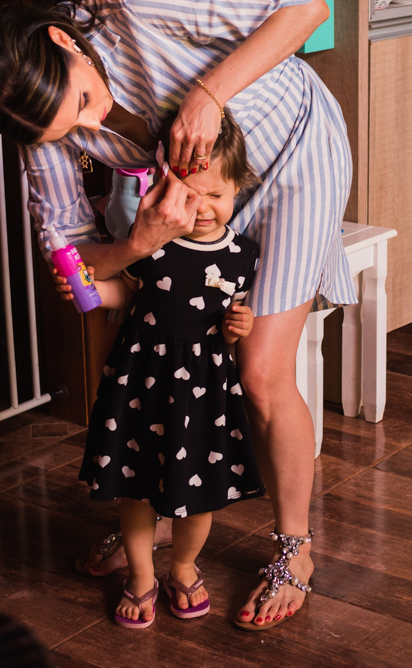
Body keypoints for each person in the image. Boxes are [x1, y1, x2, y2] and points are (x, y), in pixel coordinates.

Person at [0, 0, 356, 631]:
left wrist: (208, 93)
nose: (88, 123)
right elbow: (76, 260)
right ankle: (158, 513)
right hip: (189, 206)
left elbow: (308, 5)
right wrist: (136, 245)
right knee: (135, 348)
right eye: (61, 132)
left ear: (67, 42)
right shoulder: (38, 128)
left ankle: (294, 550)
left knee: (258, 373)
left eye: (81, 102)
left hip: (294, 150)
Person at [56, 115, 264, 627]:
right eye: (188, 195)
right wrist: (92, 293)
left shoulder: (243, 256)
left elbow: (233, 325)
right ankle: (142, 576)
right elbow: (129, 293)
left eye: (215, 195)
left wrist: (241, 325)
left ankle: (185, 567)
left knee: (200, 495)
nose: (200, 209)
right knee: (134, 484)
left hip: (202, 390)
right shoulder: (152, 241)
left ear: (239, 188)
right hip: (140, 381)